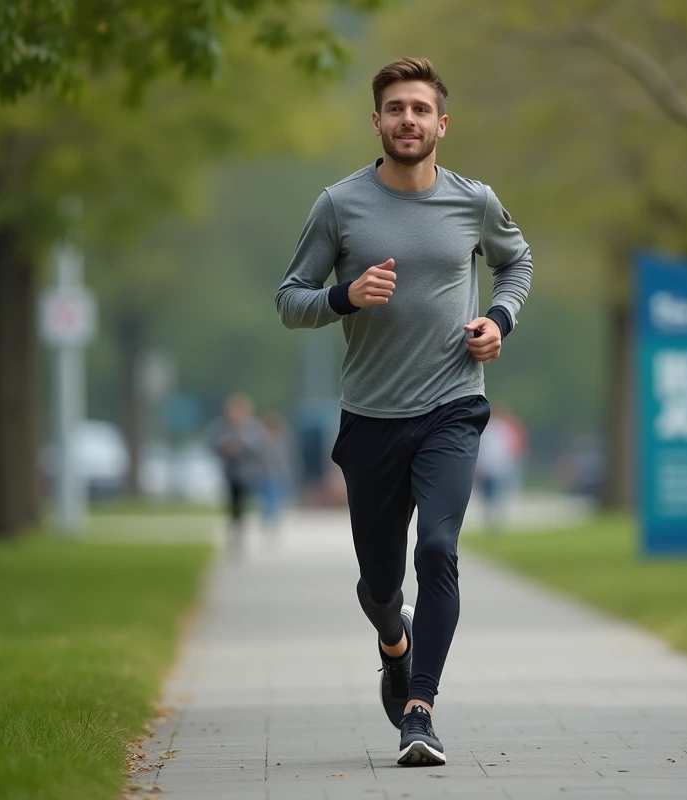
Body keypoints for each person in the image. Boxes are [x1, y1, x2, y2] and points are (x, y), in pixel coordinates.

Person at [275, 57, 533, 767]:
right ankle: (395, 642)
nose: (408, 119)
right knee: (381, 582)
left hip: (453, 407)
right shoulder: (339, 205)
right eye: (396, 108)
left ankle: (419, 711)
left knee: (439, 549)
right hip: (371, 419)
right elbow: (290, 300)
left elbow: (517, 262)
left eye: (421, 108)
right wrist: (343, 297)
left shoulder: (474, 201)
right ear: (377, 121)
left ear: (441, 123)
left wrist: (498, 322)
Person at [207, 394, 265, 550]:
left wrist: (240, 445)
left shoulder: (252, 427)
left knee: (242, 501)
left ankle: (239, 529)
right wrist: (226, 447)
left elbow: (258, 447)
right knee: (232, 502)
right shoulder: (221, 426)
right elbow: (212, 444)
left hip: (247, 473)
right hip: (230, 472)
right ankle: (234, 529)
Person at [255, 410, 297, 535]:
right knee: (268, 499)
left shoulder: (283, 437)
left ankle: (273, 521)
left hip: (279, 474)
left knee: (275, 499)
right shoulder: (262, 438)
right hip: (266, 474)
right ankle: (269, 521)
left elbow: (287, 457)